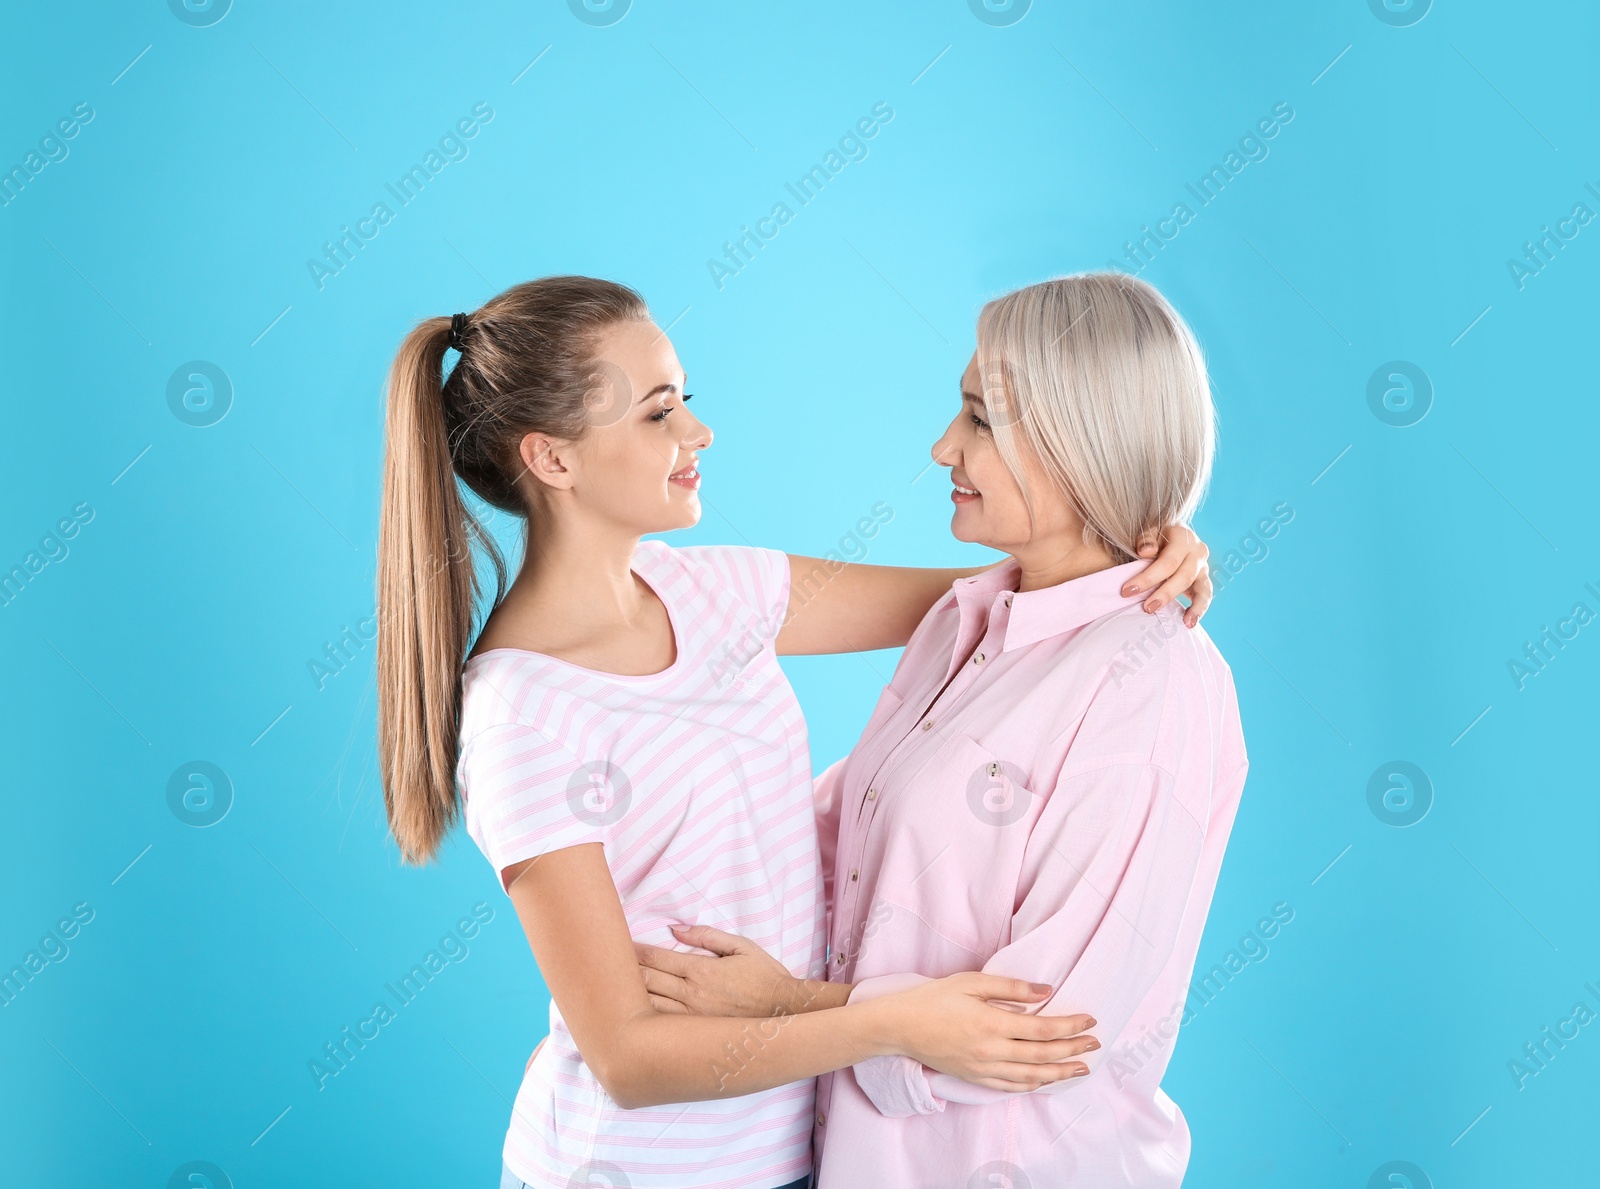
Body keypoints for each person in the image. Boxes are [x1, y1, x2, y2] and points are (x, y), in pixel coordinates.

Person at [374, 275, 1212, 1189]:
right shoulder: (524, 708)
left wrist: (1144, 546)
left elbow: (1019, 599)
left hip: (802, 1153)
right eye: (658, 414)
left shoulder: (717, 592)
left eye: (684, 401)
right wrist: (891, 1020)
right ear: (554, 459)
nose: (698, 432)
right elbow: (627, 1056)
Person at [637, 272, 1246, 1188]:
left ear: (1082, 439)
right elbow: (832, 850)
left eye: (980, 418)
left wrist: (788, 1008)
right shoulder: (967, 624)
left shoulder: (1153, 685)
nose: (941, 446)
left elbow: (1045, 1030)